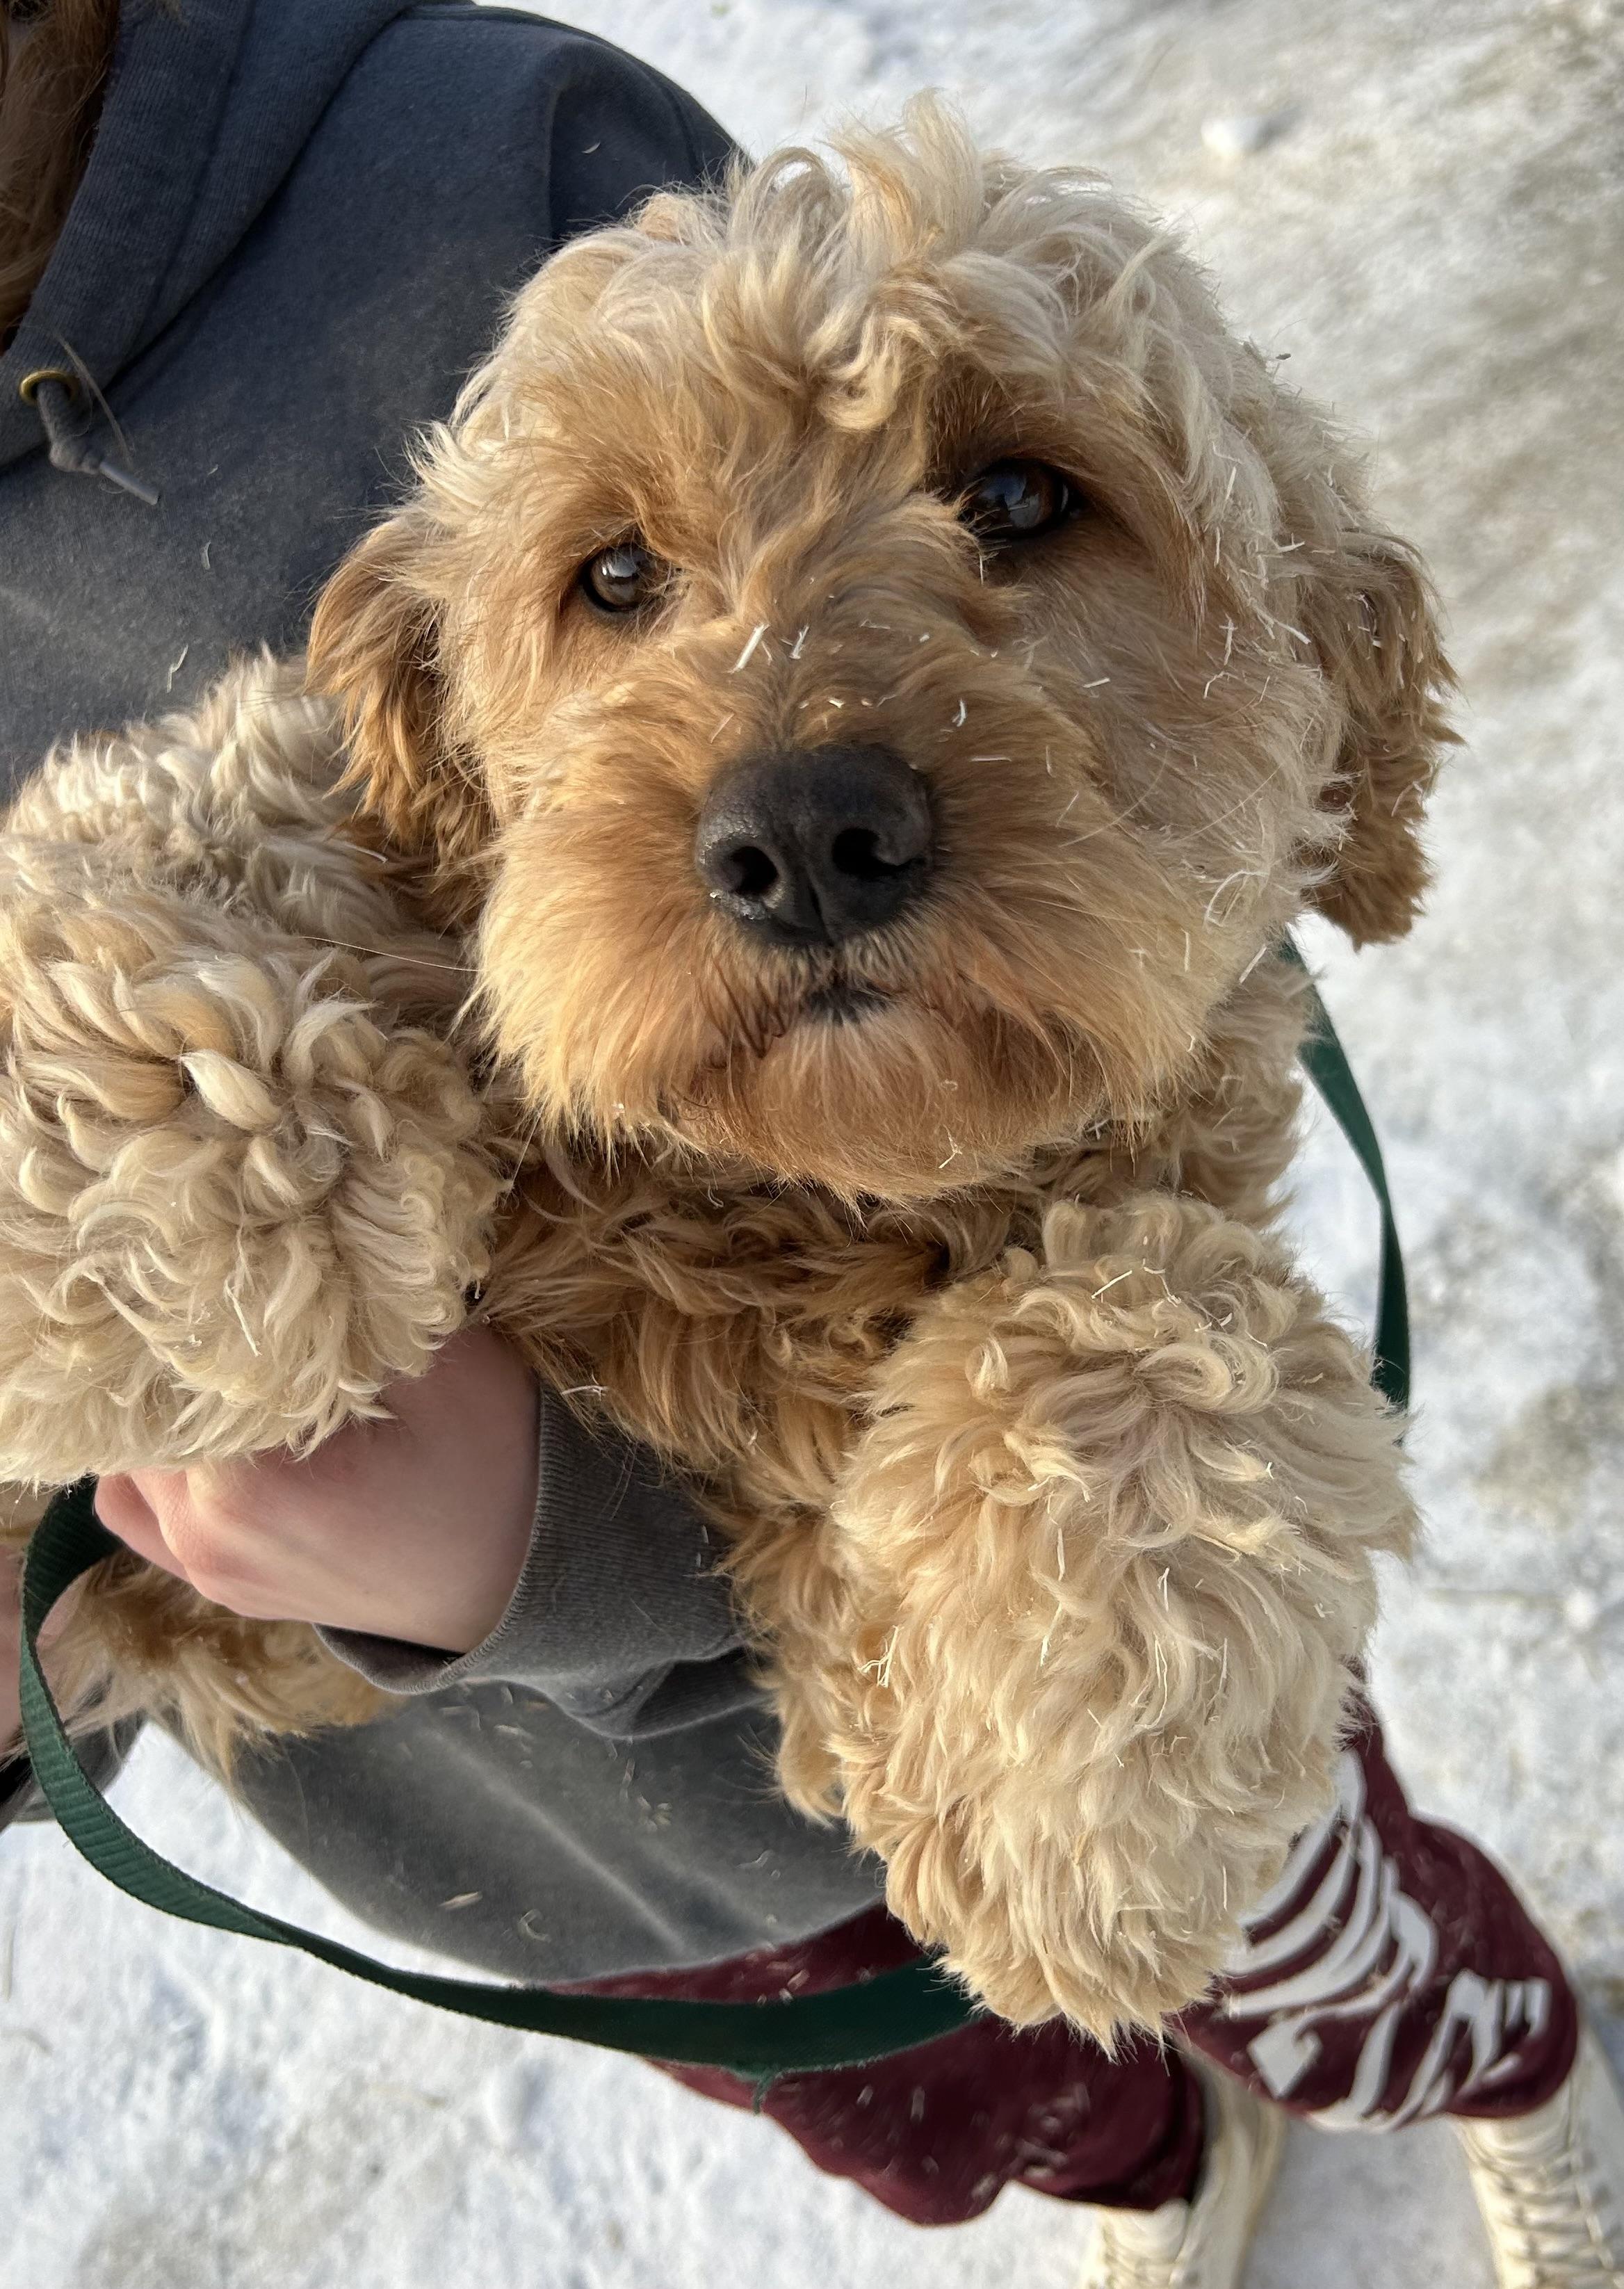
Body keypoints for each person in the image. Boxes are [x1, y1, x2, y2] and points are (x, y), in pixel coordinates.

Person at [2, 8, 1621, 2284]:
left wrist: (526, 1542)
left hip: (1045, 1577)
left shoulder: (474, 147)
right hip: (526, 1835)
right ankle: (1156, 2166)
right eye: (622, 585)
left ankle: (1511, 2053)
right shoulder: (367, 831)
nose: (791, 788)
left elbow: (818, 309)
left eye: (1020, 504)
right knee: (945, 2105)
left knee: (1276, 1892)